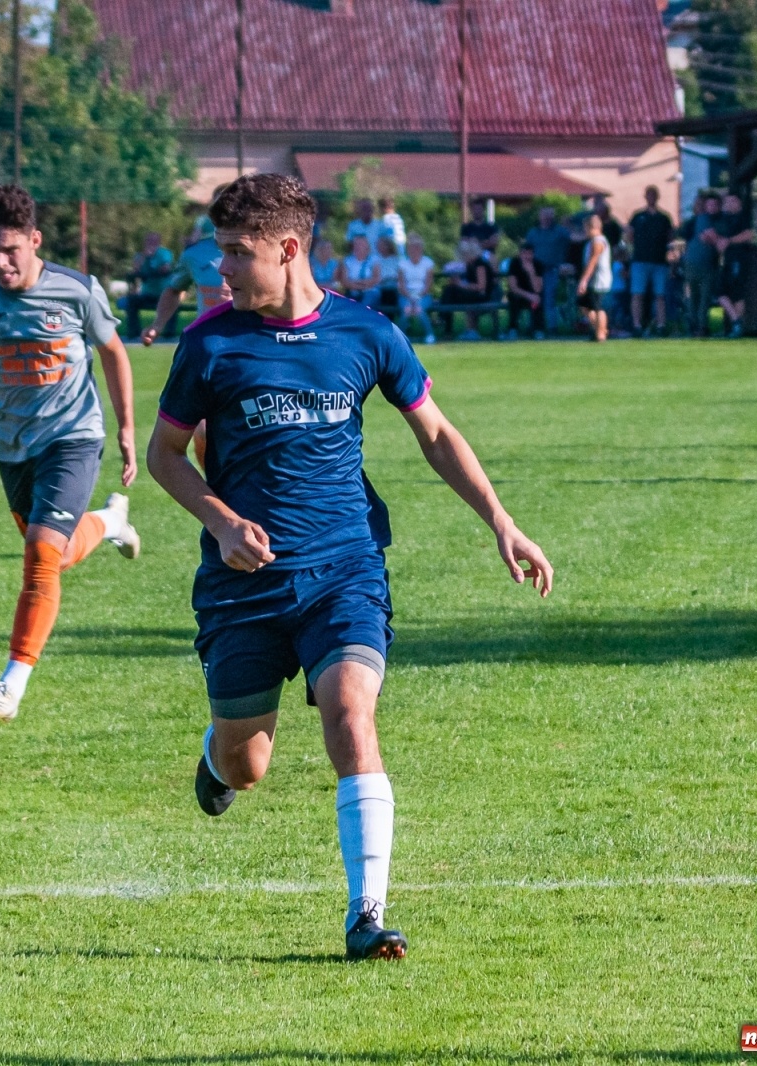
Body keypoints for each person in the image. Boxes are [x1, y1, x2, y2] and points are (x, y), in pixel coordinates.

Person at [144, 173, 553, 963]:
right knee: (247, 762)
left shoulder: (366, 334)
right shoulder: (211, 343)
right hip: (244, 587)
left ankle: (367, 913)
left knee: (350, 716)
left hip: (344, 569)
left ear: (289, 248)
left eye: (236, 253)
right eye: (219, 252)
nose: (220, 271)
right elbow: (165, 455)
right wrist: (221, 521)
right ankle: (216, 759)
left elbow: (435, 433)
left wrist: (501, 521)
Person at [0, 184, 140, 722]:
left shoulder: (77, 290)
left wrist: (125, 429)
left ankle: (11, 684)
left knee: (40, 557)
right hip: (14, 448)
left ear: (35, 240)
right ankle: (111, 521)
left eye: (11, 250)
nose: (1, 263)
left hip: (75, 436)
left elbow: (114, 353)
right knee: (57, 553)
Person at [142, 216, 230, 346]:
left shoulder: (261, 250)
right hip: (207, 340)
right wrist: (157, 325)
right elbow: (174, 290)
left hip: (250, 339)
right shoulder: (194, 254)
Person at [628, 185, 673, 336]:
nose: (651, 198)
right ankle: (637, 325)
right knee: (637, 294)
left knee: (660, 295)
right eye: (649, 195)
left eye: (653, 195)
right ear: (645, 197)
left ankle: (661, 325)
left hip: (659, 261)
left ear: (657, 197)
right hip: (640, 260)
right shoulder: (637, 216)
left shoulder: (664, 218)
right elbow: (629, 236)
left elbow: (670, 238)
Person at [520, 207, 570, 331]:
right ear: (540, 217)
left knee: (549, 299)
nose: (547, 218)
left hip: (552, 270)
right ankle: (534, 326)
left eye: (549, 216)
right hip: (535, 271)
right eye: (544, 215)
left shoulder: (560, 232)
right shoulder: (533, 232)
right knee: (534, 298)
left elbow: (573, 242)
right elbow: (526, 249)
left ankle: (552, 327)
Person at [681, 192, 722, 337]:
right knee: (700, 296)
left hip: (698, 262)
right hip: (700, 263)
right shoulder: (700, 220)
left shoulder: (703, 220)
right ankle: (699, 326)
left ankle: (696, 325)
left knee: (697, 296)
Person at [713, 192, 754, 338]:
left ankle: (737, 325)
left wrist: (729, 241)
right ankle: (736, 323)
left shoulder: (743, 217)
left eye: (732, 201)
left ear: (739, 203)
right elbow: (720, 238)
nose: (729, 204)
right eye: (727, 202)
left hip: (739, 259)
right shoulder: (724, 219)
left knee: (737, 293)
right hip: (726, 260)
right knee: (720, 292)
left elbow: (749, 235)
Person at [440, 238, 494, 340]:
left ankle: (444, 320)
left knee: (450, 291)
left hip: (482, 296)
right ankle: (446, 323)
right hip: (471, 293)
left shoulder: (480, 265)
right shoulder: (470, 265)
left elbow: (481, 286)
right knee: (449, 290)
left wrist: (460, 284)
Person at [123, 231, 175, 337]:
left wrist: (151, 272)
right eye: (149, 241)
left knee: (173, 302)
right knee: (132, 301)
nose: (151, 243)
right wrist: (145, 257)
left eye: (154, 241)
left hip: (162, 293)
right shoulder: (140, 256)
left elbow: (166, 268)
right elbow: (135, 270)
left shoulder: (164, 253)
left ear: (159, 242)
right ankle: (134, 332)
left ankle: (169, 333)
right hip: (147, 293)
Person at [576, 213, 611, 342]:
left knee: (598, 307)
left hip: (598, 280)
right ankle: (598, 328)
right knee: (584, 305)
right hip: (592, 280)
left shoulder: (598, 242)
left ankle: (601, 334)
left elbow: (592, 262)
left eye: (585, 227)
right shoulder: (591, 242)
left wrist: (583, 280)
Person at [396, 235, 436, 345]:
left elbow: (428, 284)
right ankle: (399, 338)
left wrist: (418, 297)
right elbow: (401, 285)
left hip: (423, 295)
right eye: (412, 248)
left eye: (417, 247)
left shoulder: (428, 263)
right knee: (407, 310)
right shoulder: (402, 264)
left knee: (419, 309)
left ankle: (430, 335)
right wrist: (410, 297)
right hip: (406, 294)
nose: (415, 250)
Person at [504, 242, 547, 339]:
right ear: (520, 254)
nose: (527, 256)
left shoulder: (537, 265)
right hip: (519, 294)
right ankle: (513, 328)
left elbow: (538, 288)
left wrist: (531, 273)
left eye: (530, 253)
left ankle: (538, 330)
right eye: (524, 253)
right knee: (514, 299)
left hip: (533, 296)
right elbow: (513, 287)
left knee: (537, 302)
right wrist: (528, 295)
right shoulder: (514, 264)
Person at [337, 234, 377, 305]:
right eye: (356, 244)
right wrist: (358, 286)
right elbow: (344, 281)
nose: (358, 247)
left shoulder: (374, 260)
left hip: (370, 291)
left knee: (368, 298)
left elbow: (376, 278)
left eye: (361, 244)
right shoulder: (347, 261)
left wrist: (358, 283)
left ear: (366, 246)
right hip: (351, 290)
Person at [370, 235, 403, 313]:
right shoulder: (375, 259)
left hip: (393, 285)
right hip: (380, 286)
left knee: (391, 292)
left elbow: (398, 275)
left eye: (382, 245)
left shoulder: (396, 260)